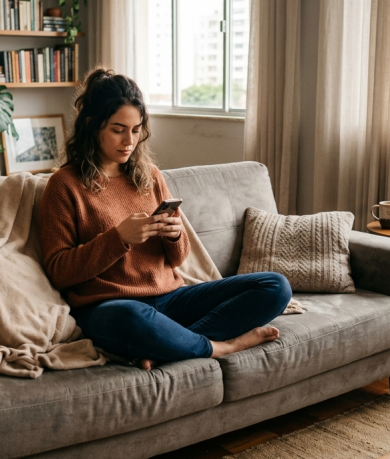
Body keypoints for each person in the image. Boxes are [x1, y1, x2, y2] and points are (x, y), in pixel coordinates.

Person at [38, 67, 291, 370]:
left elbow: (179, 258)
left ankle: (167, 346)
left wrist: (174, 235)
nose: (128, 141)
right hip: (111, 307)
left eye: (136, 129)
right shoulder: (65, 185)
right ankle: (221, 346)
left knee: (275, 286)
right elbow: (58, 271)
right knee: (131, 317)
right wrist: (118, 238)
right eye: (118, 129)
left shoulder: (150, 177)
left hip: (171, 300)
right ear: (92, 126)